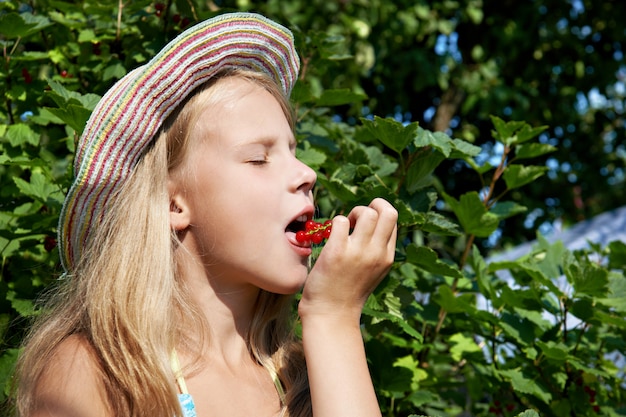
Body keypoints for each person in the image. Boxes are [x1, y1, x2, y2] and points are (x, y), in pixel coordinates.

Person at [14, 12, 397, 417]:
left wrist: (333, 318)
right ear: (172, 204)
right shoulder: (96, 371)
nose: (307, 173)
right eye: (258, 158)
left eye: (294, 151)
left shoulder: (307, 377)